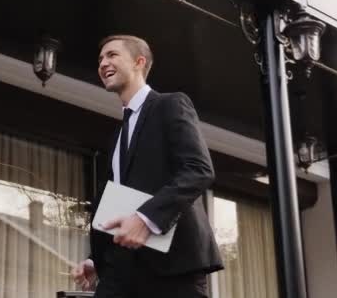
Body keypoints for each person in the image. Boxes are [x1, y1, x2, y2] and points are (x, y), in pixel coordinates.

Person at [71, 35, 223, 298]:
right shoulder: (117, 136)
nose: (103, 63)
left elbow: (199, 169)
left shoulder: (170, 104)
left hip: (172, 268)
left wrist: (146, 218)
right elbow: (120, 200)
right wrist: (97, 260)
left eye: (112, 55)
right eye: (100, 59)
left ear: (139, 62)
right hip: (121, 268)